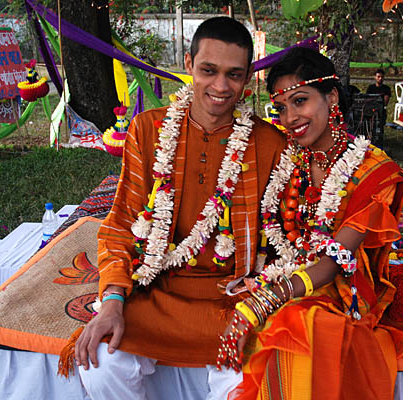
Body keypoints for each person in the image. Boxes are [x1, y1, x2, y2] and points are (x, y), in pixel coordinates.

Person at [217, 47, 403, 400]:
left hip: (346, 288)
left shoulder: (375, 170)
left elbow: (333, 259)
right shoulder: (290, 160)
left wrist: (266, 300)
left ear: (331, 97)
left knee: (298, 327)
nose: (290, 117)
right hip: (290, 271)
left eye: (300, 101)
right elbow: (279, 231)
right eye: (281, 108)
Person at [60, 17, 287, 399]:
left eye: (234, 75)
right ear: (187, 64)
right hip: (155, 293)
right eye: (208, 70)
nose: (220, 86)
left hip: (234, 301)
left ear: (248, 79)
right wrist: (114, 300)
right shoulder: (148, 130)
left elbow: (284, 239)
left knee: (256, 383)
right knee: (100, 362)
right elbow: (120, 225)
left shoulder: (269, 143)